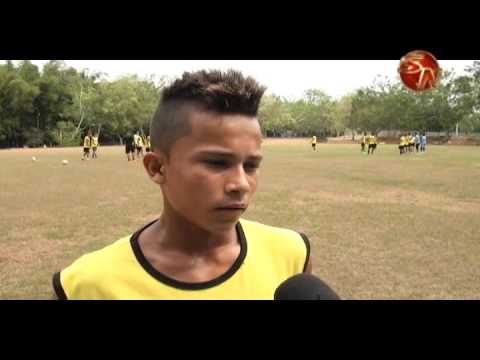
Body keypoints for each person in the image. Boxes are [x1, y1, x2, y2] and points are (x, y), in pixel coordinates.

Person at [52, 69, 313, 300]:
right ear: (156, 168)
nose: (241, 184)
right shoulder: (86, 286)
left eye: (251, 166)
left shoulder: (292, 256)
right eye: (216, 162)